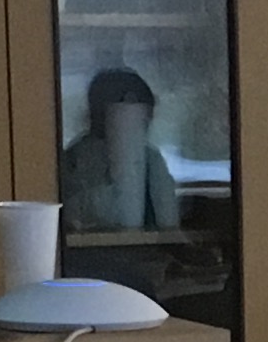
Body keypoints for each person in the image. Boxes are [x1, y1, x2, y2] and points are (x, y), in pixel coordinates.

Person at [57, 62, 181, 231]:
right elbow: (76, 214)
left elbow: (168, 215)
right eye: (125, 108)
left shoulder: (151, 158)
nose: (133, 119)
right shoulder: (75, 160)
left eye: (141, 111)